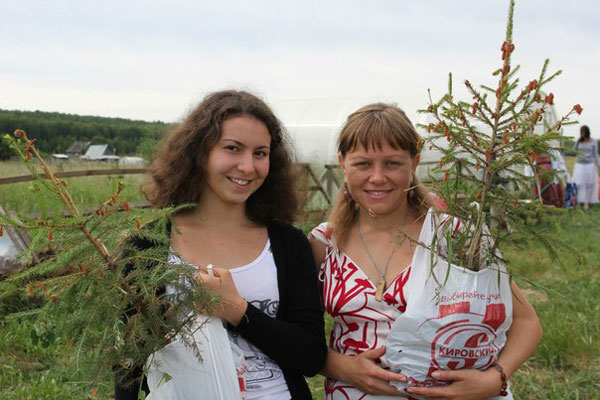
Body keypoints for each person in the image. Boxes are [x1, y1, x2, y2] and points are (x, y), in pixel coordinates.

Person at [309, 103, 543, 399]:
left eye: (392, 163)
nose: (378, 177)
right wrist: (343, 367)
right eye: (363, 164)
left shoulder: (454, 236)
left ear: (414, 162)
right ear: (343, 163)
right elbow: (302, 339)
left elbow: (526, 321)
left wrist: (495, 378)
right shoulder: (324, 244)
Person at [115, 90, 327, 399]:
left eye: (260, 153)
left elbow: (310, 356)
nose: (247, 166)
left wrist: (237, 311)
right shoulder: (147, 246)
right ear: (200, 153)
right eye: (232, 148)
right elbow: (130, 362)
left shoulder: (288, 244)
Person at [572, 125, 600, 209]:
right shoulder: (579, 141)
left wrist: (598, 165)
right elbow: (573, 150)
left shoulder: (593, 141)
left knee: (589, 184)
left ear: (587, 132)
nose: (582, 133)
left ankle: (586, 203)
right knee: (578, 184)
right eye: (581, 132)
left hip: (589, 165)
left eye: (583, 131)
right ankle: (576, 201)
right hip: (579, 165)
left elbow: (595, 154)